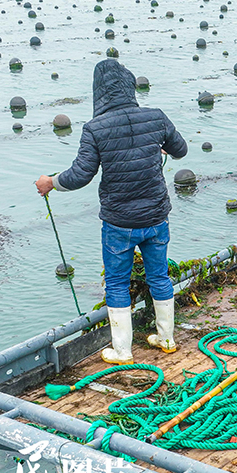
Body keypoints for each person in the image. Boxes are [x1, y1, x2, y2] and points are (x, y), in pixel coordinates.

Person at [35, 59, 188, 365]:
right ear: (130, 87)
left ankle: (122, 351)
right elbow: (180, 149)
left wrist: (50, 182)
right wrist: (157, 146)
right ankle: (166, 339)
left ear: (98, 93)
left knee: (117, 283)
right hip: (157, 217)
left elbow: (80, 175)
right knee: (159, 276)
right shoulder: (156, 117)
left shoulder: (95, 128)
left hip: (120, 222)